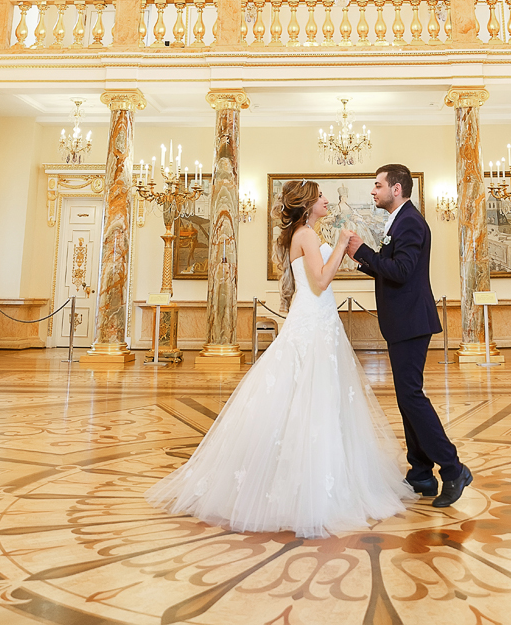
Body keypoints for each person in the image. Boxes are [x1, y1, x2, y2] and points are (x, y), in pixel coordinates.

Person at [146, 179, 415, 538]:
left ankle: (318, 472)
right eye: (320, 197)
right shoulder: (305, 234)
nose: (325, 200)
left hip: (318, 317)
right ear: (307, 206)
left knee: (316, 395)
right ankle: (307, 485)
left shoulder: (304, 233)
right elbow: (320, 280)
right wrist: (338, 245)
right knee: (308, 392)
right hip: (314, 317)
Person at [346, 164, 473, 508]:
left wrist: (362, 251)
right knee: (407, 398)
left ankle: (452, 468)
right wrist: (362, 261)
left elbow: (401, 272)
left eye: (378, 185)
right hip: (403, 322)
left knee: (412, 398)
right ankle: (420, 472)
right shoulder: (400, 220)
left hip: (411, 322)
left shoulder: (411, 222)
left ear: (397, 189)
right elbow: (394, 267)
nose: (373, 191)